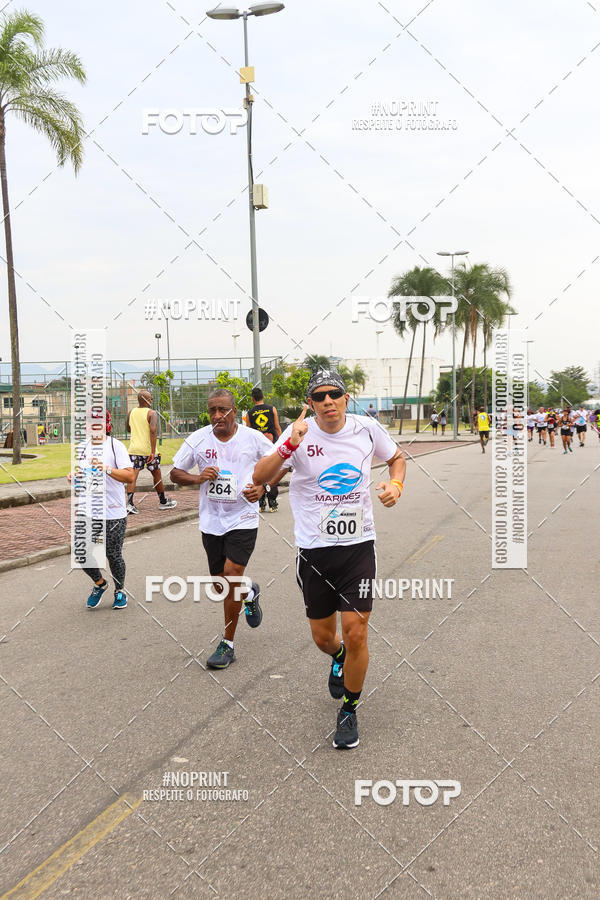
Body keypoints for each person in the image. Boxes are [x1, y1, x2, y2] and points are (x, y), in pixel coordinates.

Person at [253, 369, 406, 750]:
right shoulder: (298, 433)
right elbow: (261, 476)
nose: (327, 402)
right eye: (319, 396)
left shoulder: (367, 429)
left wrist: (396, 484)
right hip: (315, 551)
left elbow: (397, 458)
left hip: (358, 548)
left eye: (334, 394)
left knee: (356, 630)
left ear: (345, 398)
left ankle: (349, 710)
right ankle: (336, 656)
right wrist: (288, 444)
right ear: (311, 403)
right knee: (325, 638)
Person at [170, 389, 271, 669]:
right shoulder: (198, 439)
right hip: (212, 521)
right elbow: (175, 472)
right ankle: (249, 593)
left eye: (223, 410)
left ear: (234, 411)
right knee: (221, 584)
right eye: (212, 410)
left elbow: (279, 462)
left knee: (231, 575)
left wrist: (264, 486)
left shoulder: (252, 438)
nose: (217, 415)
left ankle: (228, 644)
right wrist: (197, 477)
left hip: (243, 518)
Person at [69, 411, 135, 610]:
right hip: (88, 509)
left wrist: (106, 468)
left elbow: (129, 476)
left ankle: (120, 591)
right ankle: (100, 584)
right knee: (81, 553)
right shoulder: (82, 447)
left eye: (98, 423)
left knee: (112, 553)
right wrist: (74, 478)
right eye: (90, 423)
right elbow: (84, 477)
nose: (93, 427)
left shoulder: (116, 446)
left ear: (107, 425)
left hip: (113, 511)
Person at [126, 390, 177, 514]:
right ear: (146, 399)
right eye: (151, 398)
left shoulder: (131, 412)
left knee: (132, 477)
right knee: (157, 475)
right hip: (149, 451)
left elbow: (128, 428)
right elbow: (153, 431)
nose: (151, 401)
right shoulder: (152, 413)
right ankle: (163, 502)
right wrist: (153, 451)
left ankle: (130, 504)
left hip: (134, 450)